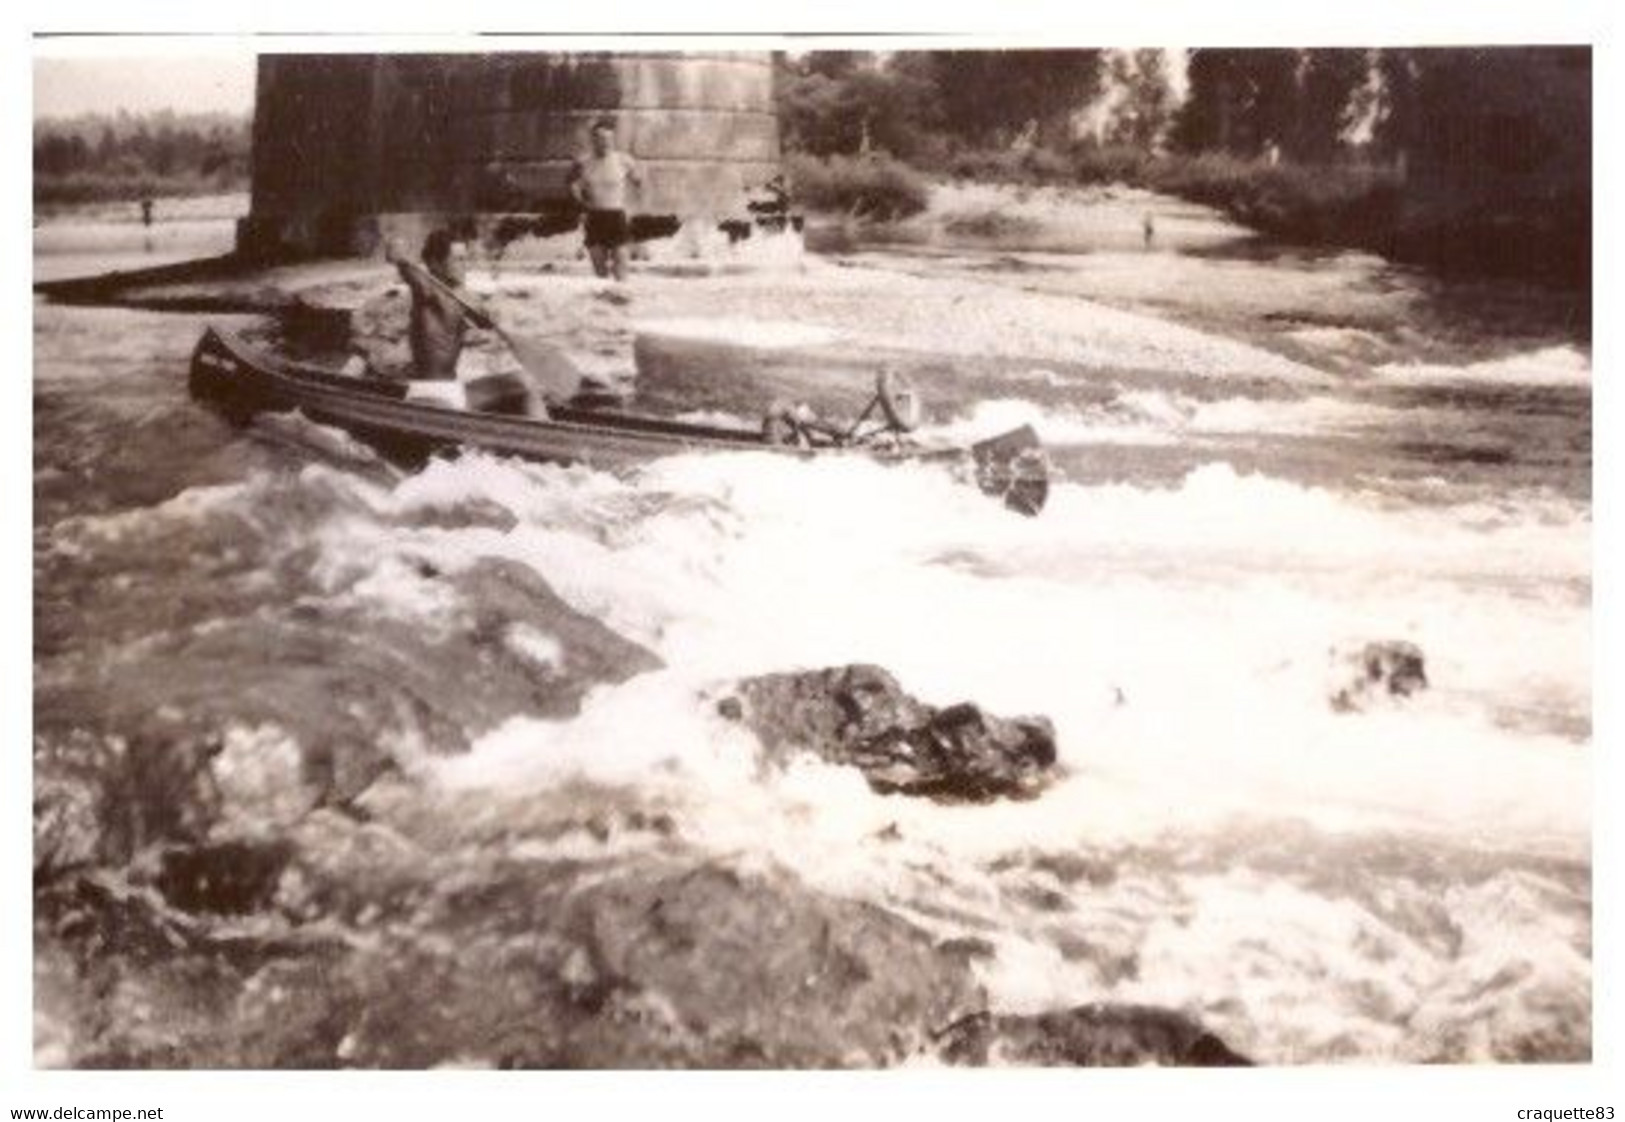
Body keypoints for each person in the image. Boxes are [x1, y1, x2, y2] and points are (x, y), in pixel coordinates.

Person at [386, 229, 493, 380]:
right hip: (430, 387)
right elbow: (403, 265)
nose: (466, 266)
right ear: (435, 263)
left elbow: (485, 321)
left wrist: (488, 318)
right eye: (458, 260)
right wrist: (397, 252)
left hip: (450, 383)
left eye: (466, 259)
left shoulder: (462, 295)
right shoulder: (428, 290)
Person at [567, 118, 642, 282]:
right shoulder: (583, 162)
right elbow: (570, 183)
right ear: (593, 140)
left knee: (621, 271)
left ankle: (622, 302)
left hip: (616, 216)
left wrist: (632, 209)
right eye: (600, 139)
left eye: (608, 139)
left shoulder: (624, 161)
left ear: (613, 140)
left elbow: (639, 184)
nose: (605, 142)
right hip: (595, 217)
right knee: (600, 272)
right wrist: (580, 202)